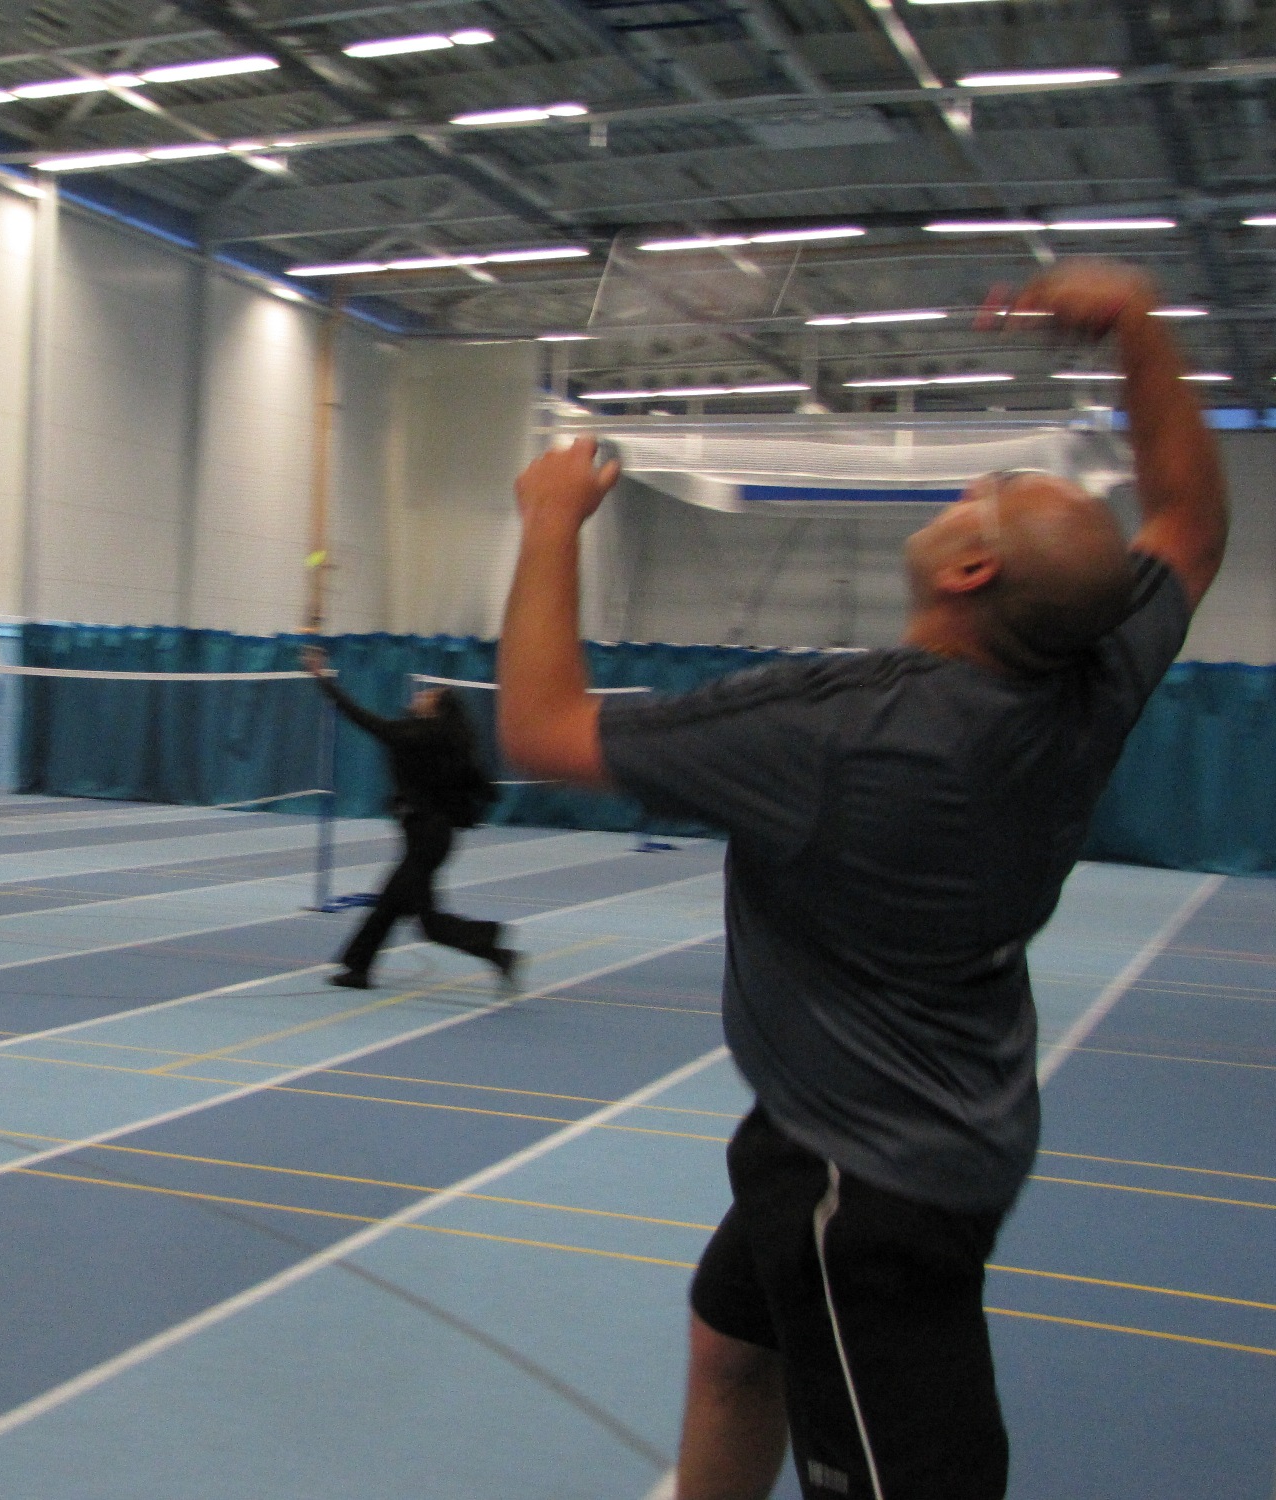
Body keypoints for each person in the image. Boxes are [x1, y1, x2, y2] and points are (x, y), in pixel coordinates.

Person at [496, 259, 1226, 1500]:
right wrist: (1138, 330)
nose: (970, 486)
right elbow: (1190, 528)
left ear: (969, 574)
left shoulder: (834, 733)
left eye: (990, 493)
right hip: (878, 1125)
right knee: (731, 1352)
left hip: (868, 1190)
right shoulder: (1088, 679)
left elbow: (543, 729)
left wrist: (551, 522)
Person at [301, 644, 518, 990]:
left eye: (430, 694)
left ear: (436, 710)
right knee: (401, 910)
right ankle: (359, 968)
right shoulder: (449, 743)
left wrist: (322, 679)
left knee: (411, 914)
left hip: (425, 838)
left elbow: (360, 717)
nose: (422, 694)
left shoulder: (415, 736)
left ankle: (488, 938)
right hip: (434, 837)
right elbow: (487, 790)